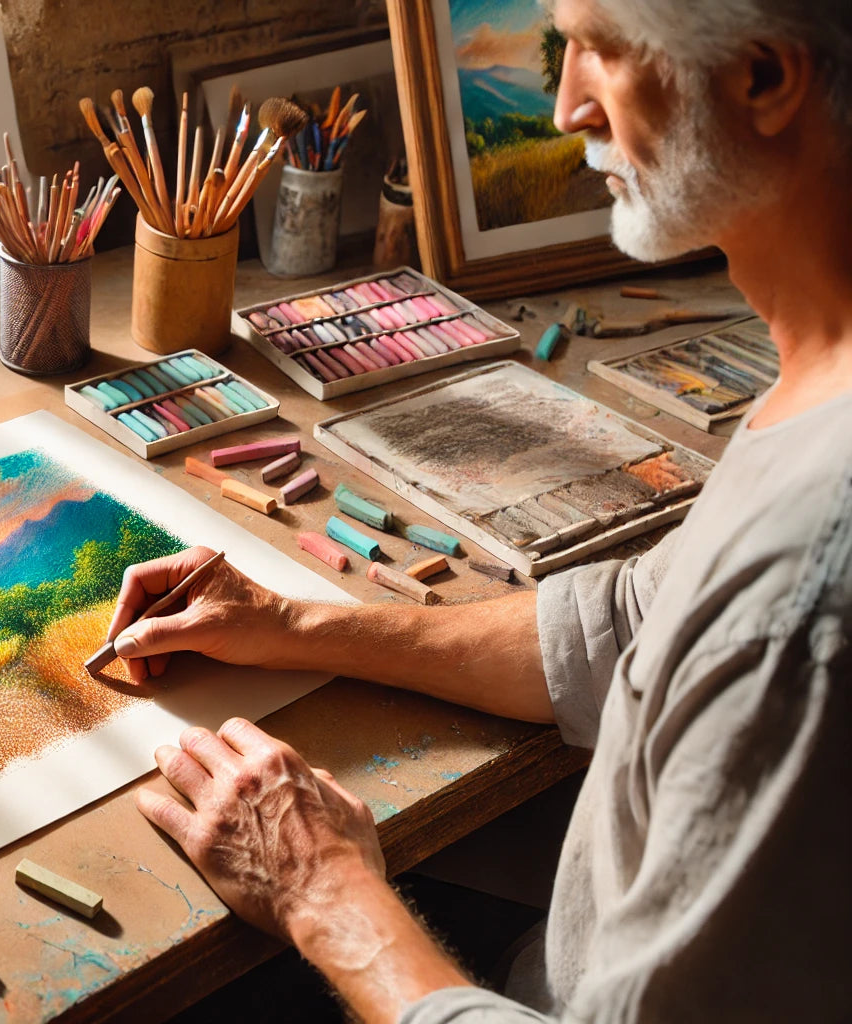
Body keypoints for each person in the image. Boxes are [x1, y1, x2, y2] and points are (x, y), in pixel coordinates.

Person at [104, 0, 852, 1019]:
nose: (564, 107)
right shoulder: (819, 369)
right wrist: (296, 622)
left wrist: (322, 890)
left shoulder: (804, 606)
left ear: (763, 79)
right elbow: (641, 615)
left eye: (603, 49)